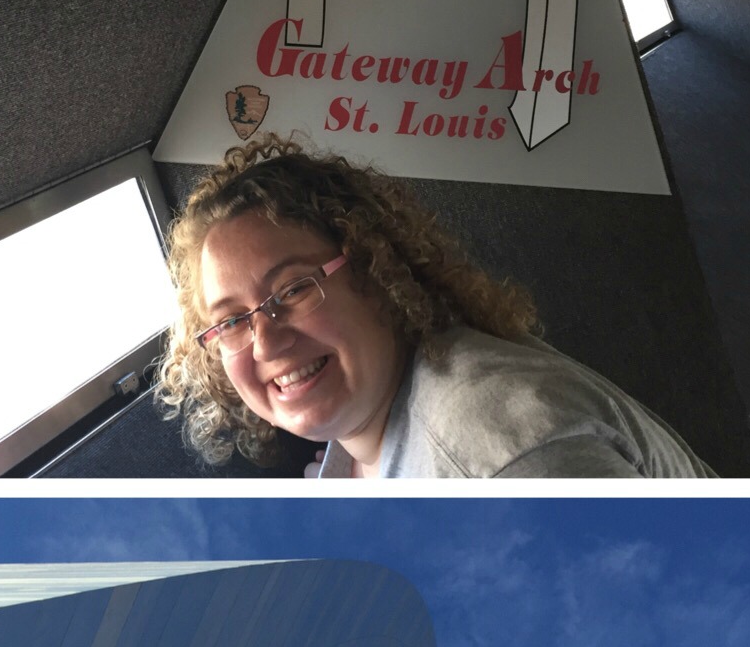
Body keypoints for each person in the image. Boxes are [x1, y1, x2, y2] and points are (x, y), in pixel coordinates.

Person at [154, 136, 716, 478]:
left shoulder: (493, 452)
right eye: (230, 321)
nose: (267, 342)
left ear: (373, 273)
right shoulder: (367, 430)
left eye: (295, 289)